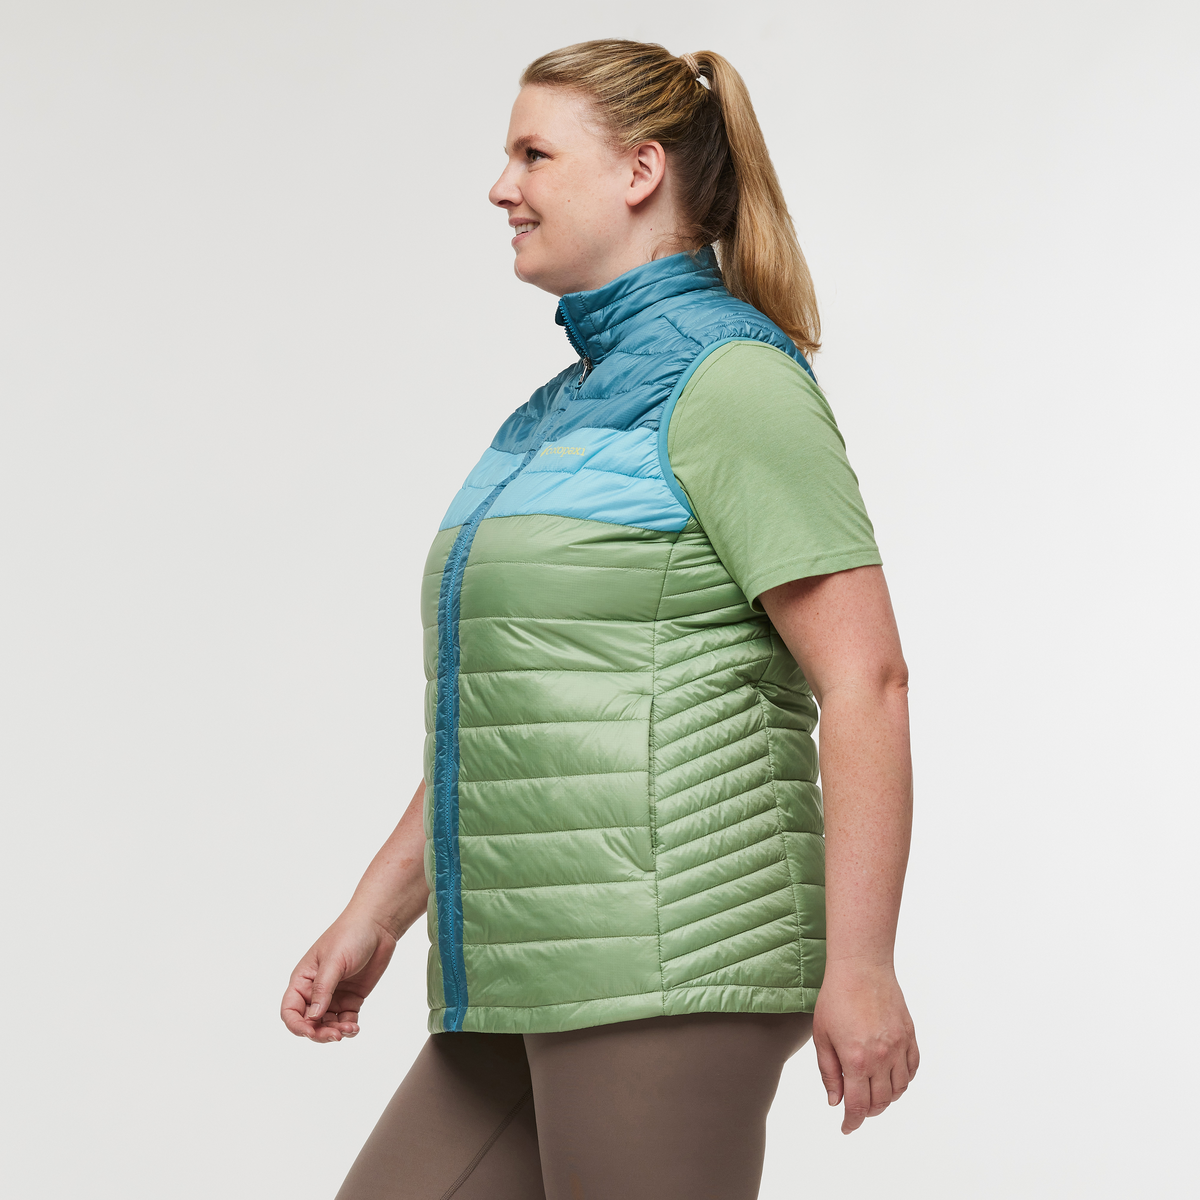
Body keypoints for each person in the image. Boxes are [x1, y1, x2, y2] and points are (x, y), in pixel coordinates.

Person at [281, 39, 918, 1200]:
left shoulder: (733, 381)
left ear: (639, 170)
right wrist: (376, 911)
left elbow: (865, 679)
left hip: (669, 953)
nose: (501, 187)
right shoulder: (556, 414)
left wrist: (862, 963)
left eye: (533, 154)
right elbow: (520, 707)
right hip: (526, 960)